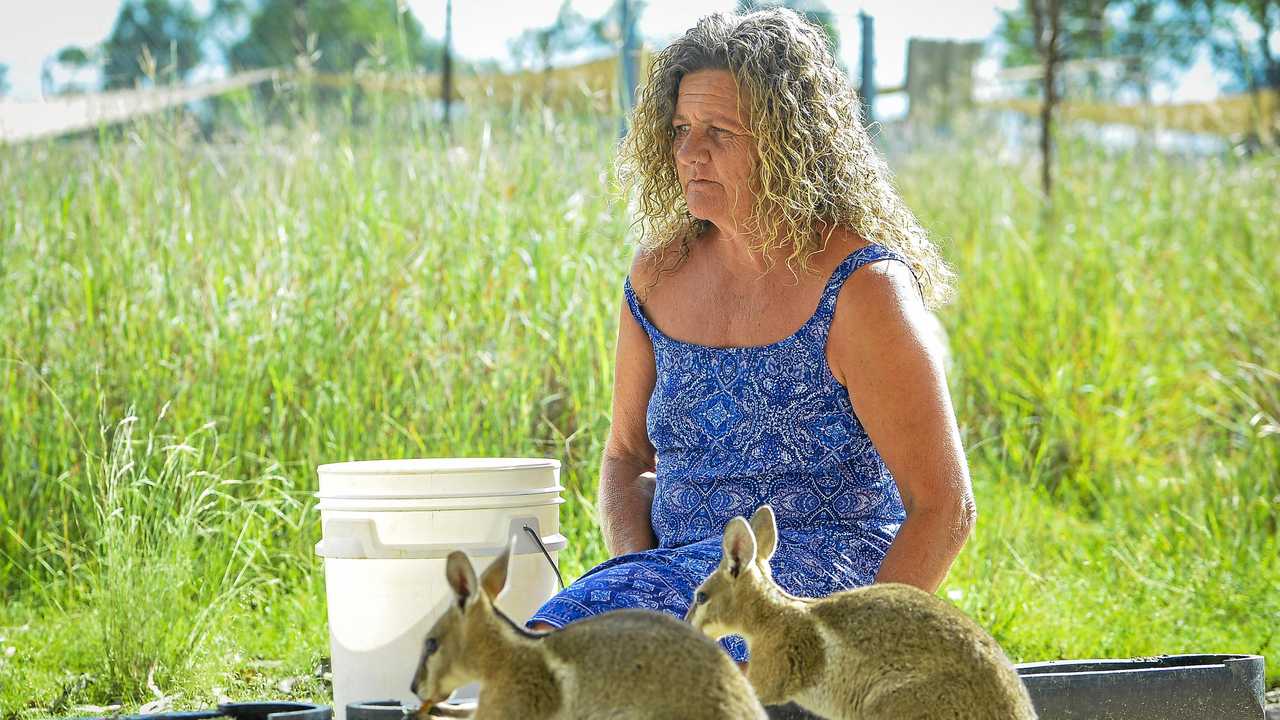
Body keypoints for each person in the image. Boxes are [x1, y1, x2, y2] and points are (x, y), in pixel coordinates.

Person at [527, 8, 976, 663]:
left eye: (719, 132)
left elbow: (944, 507)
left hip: (815, 585)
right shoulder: (656, 277)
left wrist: (859, 655)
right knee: (537, 656)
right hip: (689, 579)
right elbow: (626, 458)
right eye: (680, 129)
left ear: (787, 140)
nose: (688, 152)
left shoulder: (863, 290)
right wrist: (639, 579)